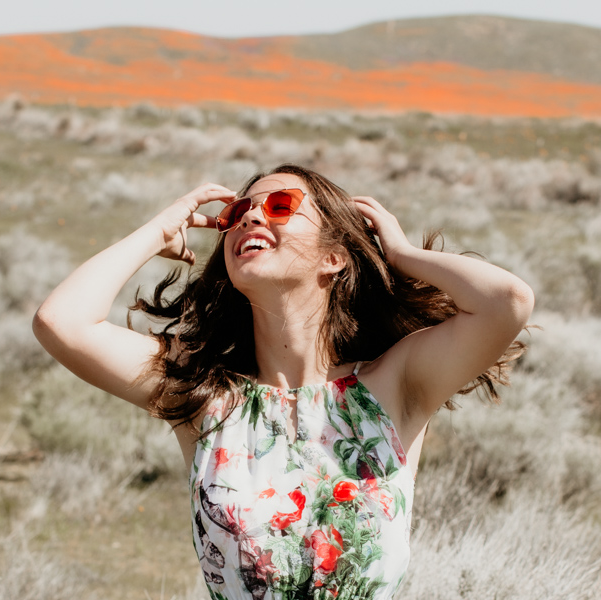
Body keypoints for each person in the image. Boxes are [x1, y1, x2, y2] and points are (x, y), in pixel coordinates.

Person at [33, 164, 534, 600]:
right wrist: (157, 230)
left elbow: (507, 301)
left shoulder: (396, 384)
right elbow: (62, 323)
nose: (251, 216)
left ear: (333, 256)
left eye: (280, 205)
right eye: (236, 214)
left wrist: (398, 253)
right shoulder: (206, 395)